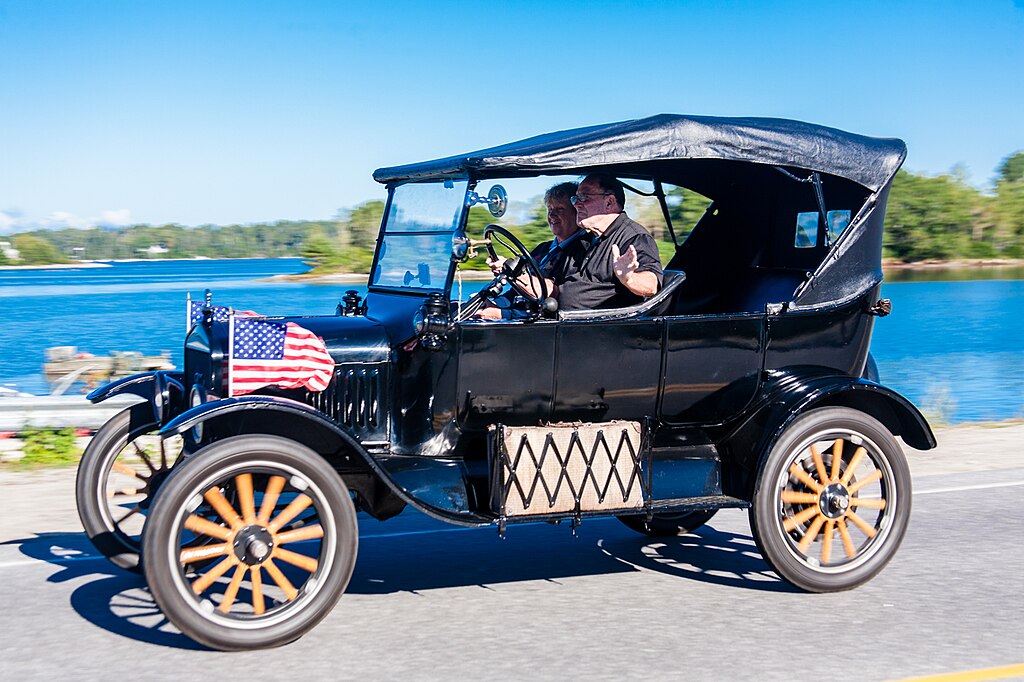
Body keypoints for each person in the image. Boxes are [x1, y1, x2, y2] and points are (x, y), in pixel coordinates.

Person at [476, 182, 587, 319]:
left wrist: (501, 314)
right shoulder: (543, 249)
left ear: (577, 212)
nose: (552, 215)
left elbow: (556, 302)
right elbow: (515, 293)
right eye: (549, 209)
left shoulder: (583, 251)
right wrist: (491, 304)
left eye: (559, 210)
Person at [553, 173, 662, 310]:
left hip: (603, 327)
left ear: (609, 202)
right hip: (564, 322)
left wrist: (629, 278)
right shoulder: (585, 240)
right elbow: (557, 282)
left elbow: (652, 285)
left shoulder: (634, 237)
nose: (576, 204)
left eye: (583, 197)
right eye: (575, 198)